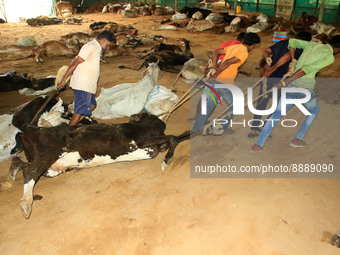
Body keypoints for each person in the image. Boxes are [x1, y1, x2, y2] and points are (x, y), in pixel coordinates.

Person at [251, 35, 340, 152]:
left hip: (291, 86)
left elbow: (292, 41)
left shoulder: (313, 44)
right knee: (313, 111)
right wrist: (285, 81)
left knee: (277, 113)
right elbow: (306, 69)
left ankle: (258, 145)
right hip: (303, 88)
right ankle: (297, 140)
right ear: (338, 49)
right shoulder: (329, 57)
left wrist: (293, 60)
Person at [192, 32, 261, 135]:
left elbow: (216, 52)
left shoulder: (235, 46)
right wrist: (214, 75)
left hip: (217, 80)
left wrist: (214, 68)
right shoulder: (244, 53)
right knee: (235, 106)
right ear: (253, 45)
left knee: (210, 104)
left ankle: (196, 129)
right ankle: (220, 128)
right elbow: (227, 62)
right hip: (224, 82)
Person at [248, 31, 312, 138]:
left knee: (262, 103)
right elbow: (286, 57)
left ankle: (253, 130)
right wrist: (271, 69)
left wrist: (267, 59)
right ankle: (264, 128)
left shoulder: (284, 42)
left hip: (269, 78)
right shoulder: (300, 48)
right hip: (281, 81)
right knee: (279, 106)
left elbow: (266, 50)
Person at [58, 30, 116, 126]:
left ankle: (74, 124)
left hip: (87, 85)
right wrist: (63, 80)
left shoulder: (96, 48)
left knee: (92, 105)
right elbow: (75, 62)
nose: (108, 48)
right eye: (108, 45)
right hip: (83, 85)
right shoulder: (90, 47)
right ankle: (69, 131)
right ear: (103, 40)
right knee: (78, 112)